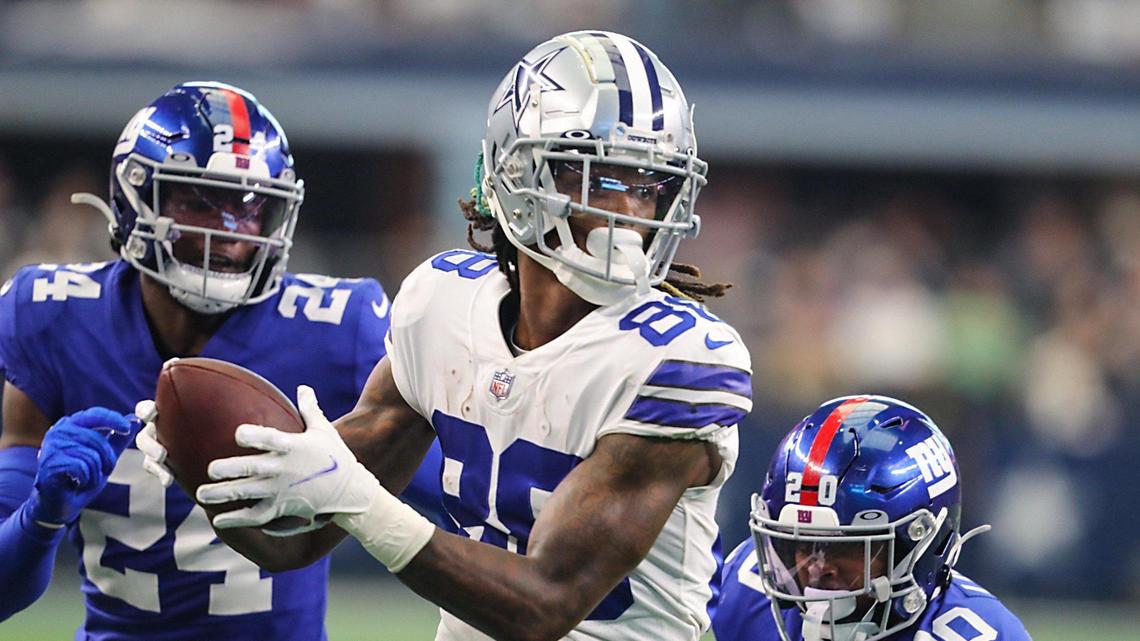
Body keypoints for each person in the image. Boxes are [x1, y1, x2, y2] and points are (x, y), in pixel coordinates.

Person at [138, 31, 753, 640]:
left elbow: (544, 605)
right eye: (595, 176)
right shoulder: (444, 301)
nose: (632, 211)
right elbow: (293, 543)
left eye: (647, 185)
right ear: (514, 170)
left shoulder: (681, 358)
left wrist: (361, 502)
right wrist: (218, 473)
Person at [0, 81, 442, 639]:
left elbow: (459, 502)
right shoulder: (54, 317)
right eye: (200, 203)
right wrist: (42, 514)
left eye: (251, 207)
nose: (230, 235)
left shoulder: (339, 328)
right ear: (138, 202)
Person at [712, 395, 1031, 641]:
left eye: (845, 549)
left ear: (921, 546)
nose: (818, 568)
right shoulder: (748, 593)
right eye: (802, 543)